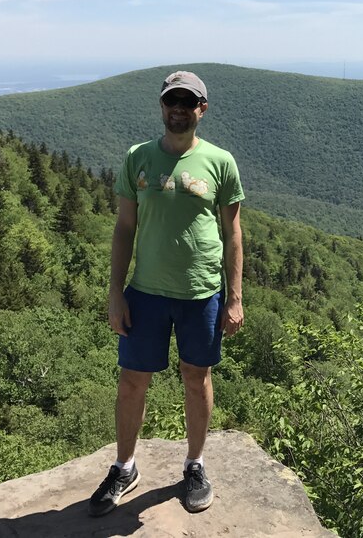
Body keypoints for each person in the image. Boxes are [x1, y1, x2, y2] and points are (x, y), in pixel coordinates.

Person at [88, 70, 244, 517]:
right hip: (146, 292)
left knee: (197, 379)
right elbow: (123, 228)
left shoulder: (220, 162)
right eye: (171, 101)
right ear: (161, 106)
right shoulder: (138, 158)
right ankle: (124, 466)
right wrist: (115, 293)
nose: (178, 109)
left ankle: (194, 465)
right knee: (132, 381)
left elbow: (233, 232)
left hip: (202, 293)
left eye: (187, 102)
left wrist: (234, 297)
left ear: (202, 109)